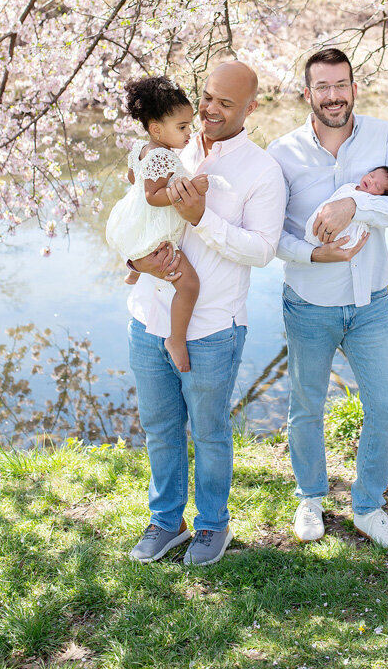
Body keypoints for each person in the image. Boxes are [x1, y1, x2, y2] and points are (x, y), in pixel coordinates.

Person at [126, 61, 286, 567]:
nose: (210, 111)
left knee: (210, 431)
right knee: (159, 426)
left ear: (250, 109)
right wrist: (133, 259)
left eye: (226, 104)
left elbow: (262, 250)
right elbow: (136, 212)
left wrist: (202, 218)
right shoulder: (172, 143)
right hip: (148, 317)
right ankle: (166, 521)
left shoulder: (262, 171)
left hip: (212, 326)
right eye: (208, 97)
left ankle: (212, 525)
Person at [268, 47, 388, 550]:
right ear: (307, 94)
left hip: (372, 301)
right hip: (309, 301)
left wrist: (352, 201)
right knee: (307, 407)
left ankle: (367, 506)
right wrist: (315, 258)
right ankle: (310, 498)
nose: (333, 96)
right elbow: (272, 237)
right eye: (323, 87)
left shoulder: (383, 136)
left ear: (354, 88)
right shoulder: (281, 154)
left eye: (342, 85)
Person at [106, 76, 210, 373]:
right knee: (189, 285)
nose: (190, 132)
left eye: (189, 125)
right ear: (156, 129)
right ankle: (176, 340)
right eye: (182, 127)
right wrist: (189, 189)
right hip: (155, 232)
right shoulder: (163, 155)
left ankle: (133, 274)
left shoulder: (141, 147)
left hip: (135, 224)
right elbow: (153, 196)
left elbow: (132, 179)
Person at [304, 165, 388, 249]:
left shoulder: (369, 201)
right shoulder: (349, 187)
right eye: (371, 175)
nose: (371, 181)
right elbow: (333, 200)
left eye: (377, 186)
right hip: (323, 220)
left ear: (380, 196)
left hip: (342, 238)